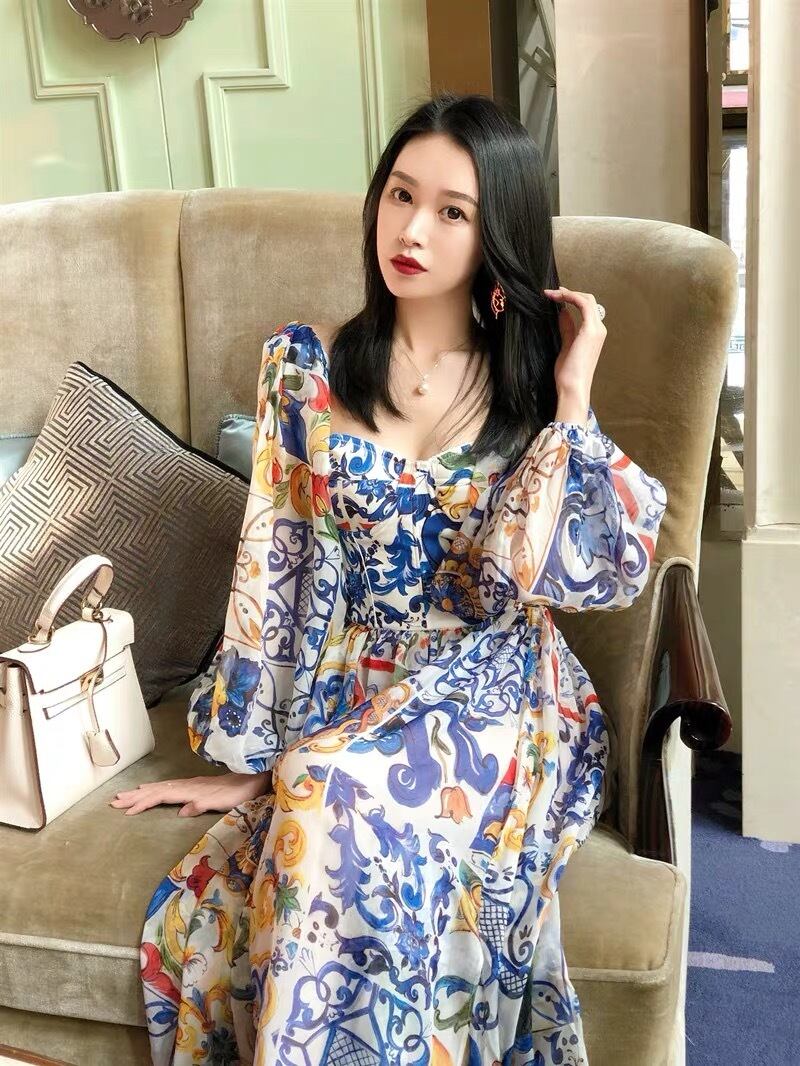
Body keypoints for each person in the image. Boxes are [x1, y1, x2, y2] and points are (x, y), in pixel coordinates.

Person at [120, 91, 666, 1065]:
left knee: (324, 784)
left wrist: (573, 393)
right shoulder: (307, 370)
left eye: (452, 211)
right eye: (400, 195)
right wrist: (250, 756)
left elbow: (560, 572)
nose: (410, 230)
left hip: (499, 687)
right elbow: (280, 565)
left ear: (496, 234)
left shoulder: (530, 386)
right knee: (311, 787)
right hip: (358, 679)